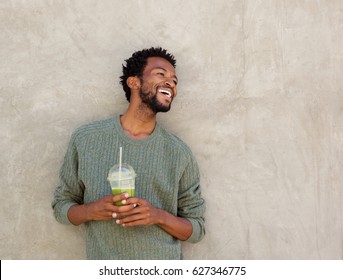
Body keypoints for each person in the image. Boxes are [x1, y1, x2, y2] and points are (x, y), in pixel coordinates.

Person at [52, 47, 205, 260]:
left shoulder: (179, 153)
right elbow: (62, 205)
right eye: (161, 74)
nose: (170, 82)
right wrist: (92, 211)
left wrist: (158, 216)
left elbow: (196, 229)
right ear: (133, 82)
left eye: (174, 80)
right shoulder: (86, 139)